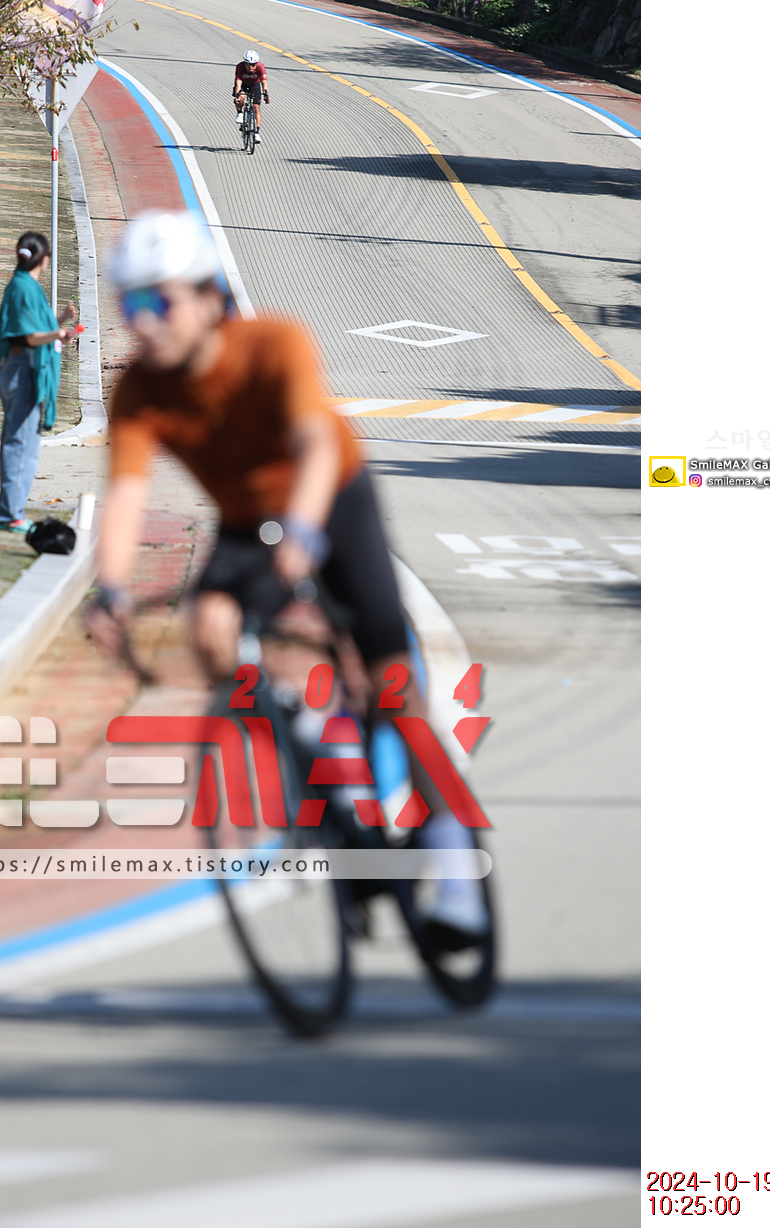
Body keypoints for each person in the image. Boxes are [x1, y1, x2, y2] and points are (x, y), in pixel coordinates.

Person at [84, 209, 488, 946]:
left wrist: (303, 530)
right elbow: (127, 496)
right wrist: (108, 589)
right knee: (211, 630)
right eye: (129, 303)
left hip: (331, 500)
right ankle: (309, 744)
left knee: (393, 688)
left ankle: (455, 860)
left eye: (158, 300)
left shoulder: (274, 343)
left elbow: (314, 443)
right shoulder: (140, 390)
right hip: (249, 524)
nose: (142, 321)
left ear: (209, 297)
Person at [0, 230, 78, 534]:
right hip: (23, 370)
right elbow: (27, 336)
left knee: (21, 444)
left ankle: (10, 511)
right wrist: (57, 334)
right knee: (21, 446)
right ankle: (10, 515)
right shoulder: (25, 287)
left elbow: (31, 326)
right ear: (45, 259)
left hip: (18, 368)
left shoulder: (23, 284)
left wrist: (60, 321)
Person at [232, 49, 269, 140]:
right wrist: (237, 96)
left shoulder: (261, 67)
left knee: (256, 108)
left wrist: (266, 94)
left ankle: (256, 132)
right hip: (243, 85)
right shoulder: (240, 67)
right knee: (241, 97)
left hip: (254, 85)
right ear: (244, 63)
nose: (251, 67)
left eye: (253, 65)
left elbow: (264, 82)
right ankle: (240, 113)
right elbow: (238, 83)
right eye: (248, 65)